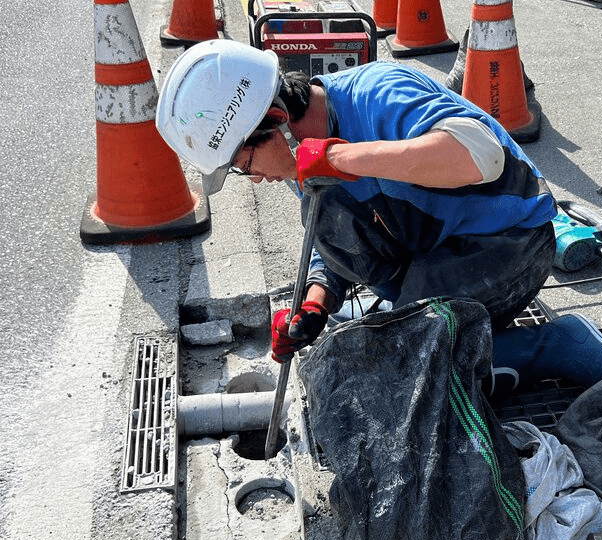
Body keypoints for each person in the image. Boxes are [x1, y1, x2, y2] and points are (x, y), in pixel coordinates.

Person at [156, 40, 558, 366]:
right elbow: (333, 235)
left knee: (405, 362)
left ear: (277, 121)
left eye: (246, 165)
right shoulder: (297, 150)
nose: (257, 178)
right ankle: (414, 313)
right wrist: (315, 304)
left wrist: (337, 158)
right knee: (328, 214)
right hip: (436, 248)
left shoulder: (378, 92)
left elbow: (483, 156)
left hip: (509, 241)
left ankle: (560, 345)